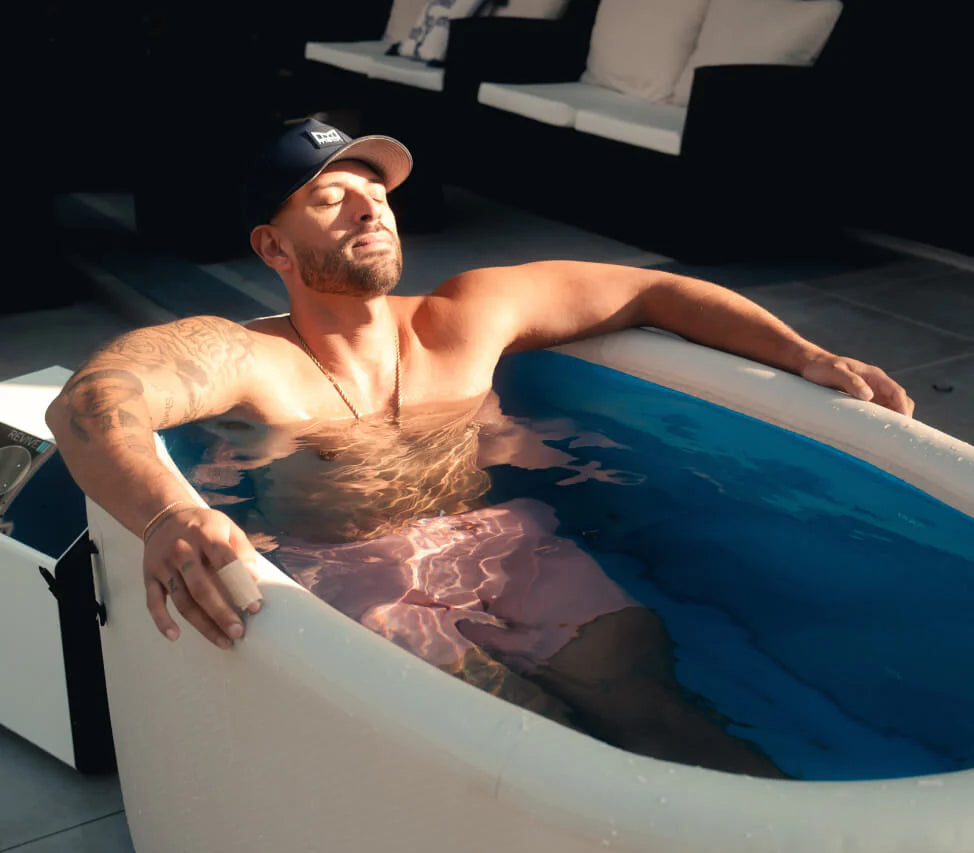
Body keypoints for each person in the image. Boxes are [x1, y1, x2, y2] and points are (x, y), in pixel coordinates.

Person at [46, 118, 915, 776]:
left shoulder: (464, 318)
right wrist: (169, 513)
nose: (369, 207)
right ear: (273, 245)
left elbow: (655, 292)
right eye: (330, 197)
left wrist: (805, 356)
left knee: (664, 715)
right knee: (534, 753)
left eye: (375, 191)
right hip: (353, 574)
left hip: (503, 545)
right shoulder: (247, 357)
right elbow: (94, 400)